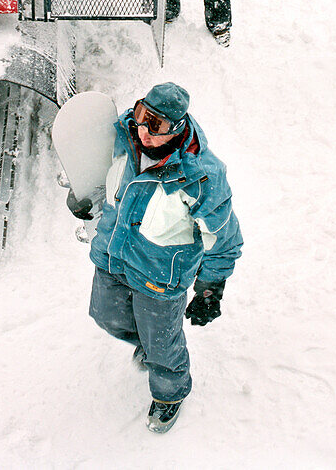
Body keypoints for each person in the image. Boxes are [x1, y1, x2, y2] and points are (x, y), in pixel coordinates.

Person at [74, 82, 242, 434]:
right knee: (106, 317)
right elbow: (104, 178)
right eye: (141, 117)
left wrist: (211, 287)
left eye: (158, 126)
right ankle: (146, 346)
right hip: (112, 258)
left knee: (163, 348)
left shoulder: (201, 177)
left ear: (177, 128)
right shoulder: (122, 139)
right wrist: (86, 195)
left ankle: (170, 394)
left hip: (159, 276)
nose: (145, 132)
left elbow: (225, 239)